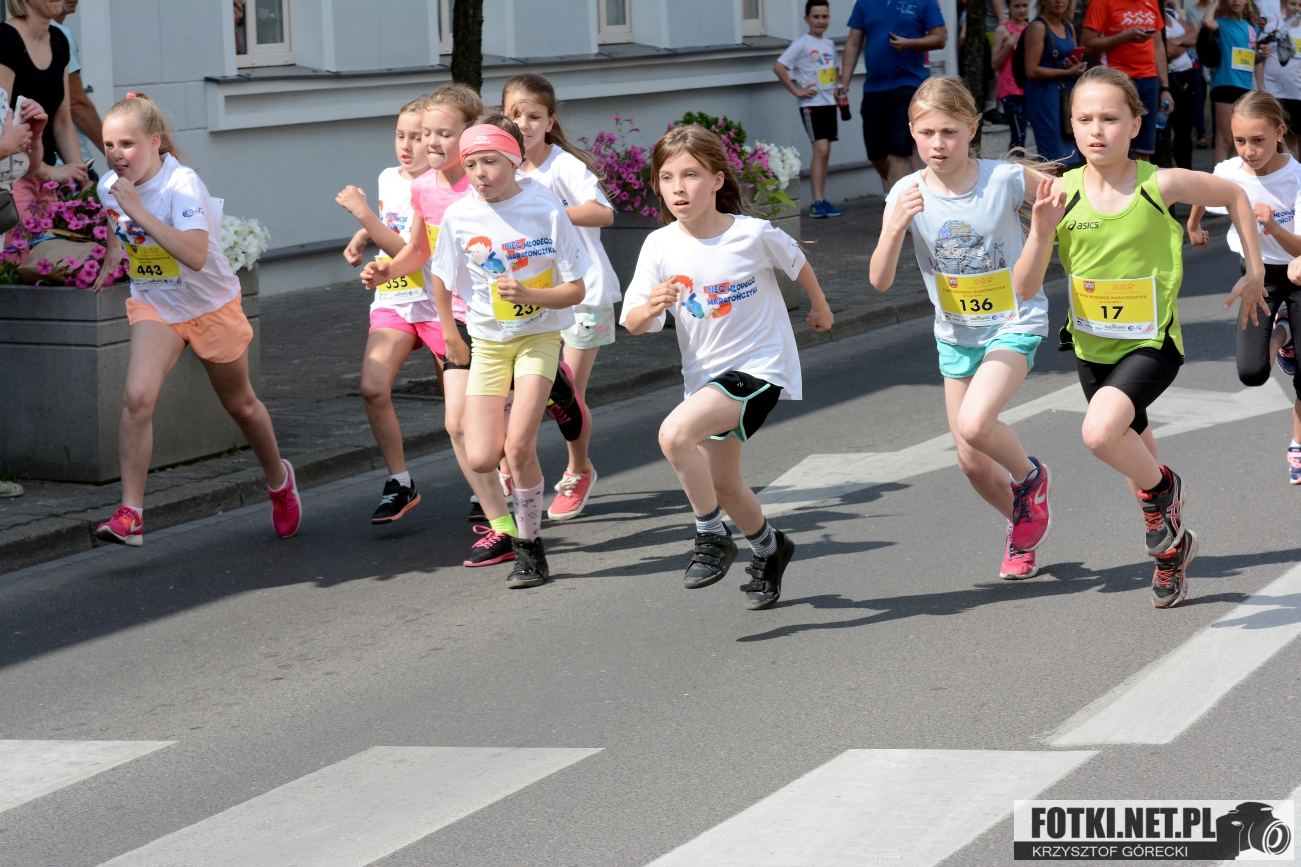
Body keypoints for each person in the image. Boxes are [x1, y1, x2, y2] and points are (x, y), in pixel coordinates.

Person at [1018, 66, 1267, 608]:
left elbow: (1234, 194)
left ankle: (1166, 490)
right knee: (1136, 463)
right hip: (1091, 349)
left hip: (1150, 344)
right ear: (1071, 125)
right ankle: (1172, 552)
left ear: (1135, 124)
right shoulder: (1060, 192)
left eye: (1110, 118)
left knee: (1100, 434)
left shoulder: (1161, 184)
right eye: (1084, 119)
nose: (1096, 130)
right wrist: (1039, 234)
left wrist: (1255, 269)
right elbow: (1025, 286)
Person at [367, 116, 589, 588]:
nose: (480, 173)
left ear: (514, 160)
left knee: (518, 446)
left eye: (490, 162)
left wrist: (531, 295)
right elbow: (441, 277)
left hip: (539, 337)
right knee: (483, 455)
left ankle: (529, 549)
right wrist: (451, 331)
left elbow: (576, 289)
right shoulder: (459, 215)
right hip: (487, 342)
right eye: (471, 164)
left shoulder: (546, 208)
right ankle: (553, 391)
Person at [621, 124, 834, 611]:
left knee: (674, 435)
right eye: (667, 177)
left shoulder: (751, 234)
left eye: (691, 175)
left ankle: (711, 535)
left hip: (760, 369)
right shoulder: (659, 245)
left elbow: (796, 261)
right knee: (725, 485)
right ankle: (770, 548)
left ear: (717, 180)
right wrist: (652, 306)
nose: (678, 188)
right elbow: (633, 323)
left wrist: (819, 305)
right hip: (705, 380)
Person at [92, 92, 301, 547]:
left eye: (127, 144)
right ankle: (131, 514)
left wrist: (137, 210)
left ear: (155, 142)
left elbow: (195, 254)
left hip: (210, 306)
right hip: (157, 305)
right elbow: (116, 222)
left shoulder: (181, 184)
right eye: (109, 145)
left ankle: (279, 482)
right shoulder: (110, 186)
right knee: (136, 398)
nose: (116, 155)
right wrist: (112, 253)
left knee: (241, 406)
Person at [870, 77, 1054, 580]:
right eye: (927, 132)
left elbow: (1074, 195)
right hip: (955, 333)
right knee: (971, 462)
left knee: (975, 423)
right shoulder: (905, 193)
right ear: (912, 132)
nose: (938, 144)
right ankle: (1022, 527)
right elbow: (880, 281)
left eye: (949, 132)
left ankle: (1030, 477)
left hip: (1013, 321)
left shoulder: (1004, 179)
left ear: (972, 130)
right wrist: (894, 227)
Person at [357, 86, 519, 568]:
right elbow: (420, 251)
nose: (429, 142)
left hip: (506, 318)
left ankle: (553, 391)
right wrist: (386, 270)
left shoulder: (485, 185)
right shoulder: (424, 188)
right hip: (461, 318)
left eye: (443, 133)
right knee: (457, 425)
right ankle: (503, 526)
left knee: (509, 437)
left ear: (469, 136)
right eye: (425, 132)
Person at [502, 73, 614, 522]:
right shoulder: (503, 167)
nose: (524, 124)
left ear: (550, 121)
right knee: (528, 390)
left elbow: (603, 213)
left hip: (586, 294)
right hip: (533, 298)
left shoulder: (563, 166)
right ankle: (510, 464)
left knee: (567, 395)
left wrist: (550, 212)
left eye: (534, 116)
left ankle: (578, 470)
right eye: (515, 115)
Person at [1186, 91, 1301, 482]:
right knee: (1252, 372)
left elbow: (1299, 249)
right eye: (1240, 141)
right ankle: (1283, 335)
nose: (1248, 151)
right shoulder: (1229, 170)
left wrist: (1271, 226)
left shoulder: (1295, 178)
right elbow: (1204, 188)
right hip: (1257, 275)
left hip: (1297, 274)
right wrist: (1193, 224)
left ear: (1280, 132)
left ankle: (1298, 443)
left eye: (1258, 141)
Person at [335, 98, 440, 525]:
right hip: (395, 298)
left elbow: (411, 250)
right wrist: (363, 234)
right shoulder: (387, 177)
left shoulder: (440, 185)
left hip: (439, 304)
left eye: (417, 137)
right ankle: (400, 481)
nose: (407, 146)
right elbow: (391, 225)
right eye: (400, 136)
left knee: (461, 408)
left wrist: (362, 214)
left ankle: (493, 478)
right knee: (373, 387)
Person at [839, 0, 947, 193]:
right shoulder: (864, 2)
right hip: (873, 88)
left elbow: (940, 38)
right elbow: (853, 43)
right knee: (876, 153)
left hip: (908, 85)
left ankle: (897, 207)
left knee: (899, 150)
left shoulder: (924, 1)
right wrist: (844, 82)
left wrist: (909, 44)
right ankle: (908, 192)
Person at [0, 0, 89, 217]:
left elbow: (62, 121)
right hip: (12, 178)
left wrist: (82, 178)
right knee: (24, 240)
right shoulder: (5, 39)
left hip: (46, 178)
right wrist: (48, 171)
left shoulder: (58, 41)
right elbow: (2, 123)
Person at [775, 1, 844, 217]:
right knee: (820, 150)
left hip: (829, 103)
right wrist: (797, 91)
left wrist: (837, 87)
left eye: (824, 16)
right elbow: (779, 67)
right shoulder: (802, 44)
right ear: (807, 19)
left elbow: (835, 69)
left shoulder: (829, 44)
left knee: (826, 152)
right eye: (816, 17)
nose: (821, 21)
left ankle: (822, 199)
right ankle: (816, 202)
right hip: (812, 104)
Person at [1083, 0, 1176, 162]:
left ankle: (1142, 180)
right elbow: (1087, 44)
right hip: (1115, 81)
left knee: (1144, 149)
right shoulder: (1102, 2)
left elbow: (1158, 46)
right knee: (1113, 146)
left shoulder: (1151, 2)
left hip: (1149, 81)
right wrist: (1125, 36)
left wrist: (1165, 88)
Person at [1024, 0, 1086, 163]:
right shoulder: (1038, 27)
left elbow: (1070, 58)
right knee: (1052, 156)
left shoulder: (1068, 26)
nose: (1059, 1)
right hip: (1044, 96)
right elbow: (1031, 70)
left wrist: (1076, 65)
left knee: (1069, 154)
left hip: (1065, 93)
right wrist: (1067, 72)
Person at [1203, 0, 1264, 164]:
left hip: (1245, 87)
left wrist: (1263, 54)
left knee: (1239, 141)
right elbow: (1206, 22)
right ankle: (1217, 179)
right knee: (1224, 140)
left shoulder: (1252, 27)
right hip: (1225, 84)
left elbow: (1252, 57)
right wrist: (1217, 2)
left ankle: (1233, 178)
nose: (1236, 1)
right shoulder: (1221, 23)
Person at [51, 0, 101, 164]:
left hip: (39, 162)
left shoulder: (22, 33)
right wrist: (111, 151)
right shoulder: (58, 34)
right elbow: (76, 104)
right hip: (68, 161)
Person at [1262, 0, 1301, 158]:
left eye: (1300, 5)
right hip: (1273, 92)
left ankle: (1294, 171)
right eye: (1293, 4)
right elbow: (1260, 54)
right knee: (1272, 136)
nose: (1296, 8)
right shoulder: (1273, 27)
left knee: (1292, 137)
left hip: (1296, 92)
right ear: (1284, 4)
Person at [1165, 0, 1201, 168]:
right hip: (1168, 77)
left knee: (1185, 129)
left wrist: (1176, 41)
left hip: (1186, 77)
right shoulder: (1149, 17)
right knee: (1169, 130)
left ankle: (1186, 172)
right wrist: (1185, 43)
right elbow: (1166, 52)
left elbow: (1195, 34)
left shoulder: (1171, 13)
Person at [992, 0, 1032, 150]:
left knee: (1024, 134)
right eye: (1017, 6)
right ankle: (1015, 163)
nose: (1021, 10)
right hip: (1010, 88)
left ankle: (1018, 162)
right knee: (1018, 135)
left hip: (1028, 87)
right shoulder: (1003, 30)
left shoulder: (1032, 29)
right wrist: (1008, 45)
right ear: (1008, 7)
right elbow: (994, 64)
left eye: (1025, 5)